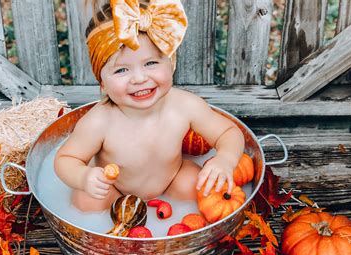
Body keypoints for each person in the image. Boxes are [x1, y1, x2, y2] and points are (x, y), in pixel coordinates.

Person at [54, 0, 244, 212]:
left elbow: (228, 132)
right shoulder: (99, 121)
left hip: (172, 181)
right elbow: (65, 159)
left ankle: (179, 225)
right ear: (103, 84)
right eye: (121, 70)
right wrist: (83, 177)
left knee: (197, 186)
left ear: (170, 64)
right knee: (86, 201)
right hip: (115, 191)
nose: (139, 78)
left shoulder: (184, 105)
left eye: (151, 63)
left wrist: (225, 159)